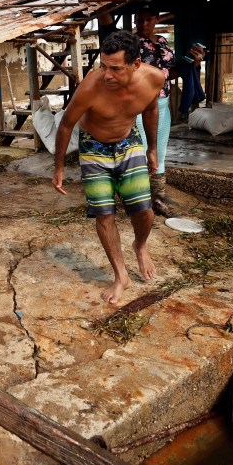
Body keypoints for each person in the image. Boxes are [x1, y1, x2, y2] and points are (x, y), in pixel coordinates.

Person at [52, 30, 164, 305]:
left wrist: (151, 148)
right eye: (103, 66)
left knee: (144, 210)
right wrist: (59, 168)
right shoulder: (92, 85)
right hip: (94, 146)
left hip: (128, 141)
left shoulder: (154, 78)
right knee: (104, 214)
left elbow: (150, 109)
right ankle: (120, 275)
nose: (108, 74)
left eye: (115, 68)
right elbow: (66, 124)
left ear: (136, 64)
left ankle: (140, 245)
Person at [98, 6, 204, 216]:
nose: (143, 24)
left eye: (148, 19)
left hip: (161, 103)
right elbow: (108, 29)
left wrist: (192, 63)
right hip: (137, 105)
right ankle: (135, 199)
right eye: (139, 20)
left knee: (158, 151)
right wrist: (103, 11)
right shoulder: (130, 45)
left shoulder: (163, 43)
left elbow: (168, 73)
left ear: (156, 19)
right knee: (138, 150)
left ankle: (157, 198)